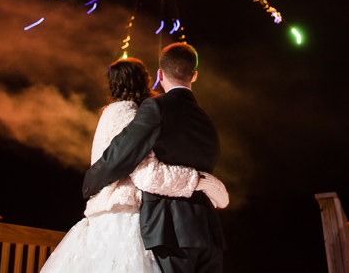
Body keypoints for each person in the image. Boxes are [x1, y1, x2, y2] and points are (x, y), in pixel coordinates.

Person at [40, 57, 228, 273]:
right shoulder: (132, 113)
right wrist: (200, 181)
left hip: (115, 212)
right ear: (147, 81)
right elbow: (145, 173)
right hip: (126, 213)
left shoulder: (113, 112)